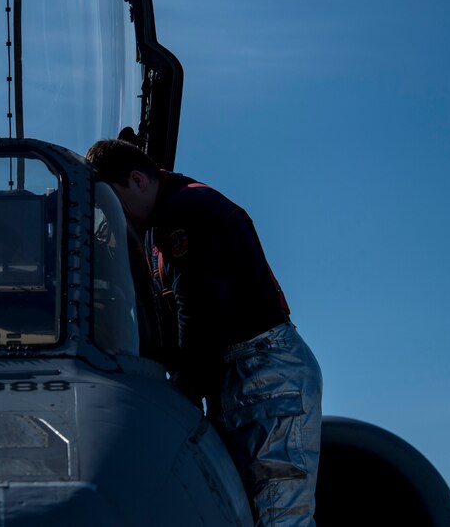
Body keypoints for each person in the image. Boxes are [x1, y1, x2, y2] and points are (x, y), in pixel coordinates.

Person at [86, 139, 321, 526]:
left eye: (116, 202)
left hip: (266, 375)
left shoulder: (187, 213)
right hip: (245, 378)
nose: (117, 219)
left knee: (281, 514)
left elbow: (200, 313)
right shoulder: (162, 223)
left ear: (138, 180)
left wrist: (180, 396)